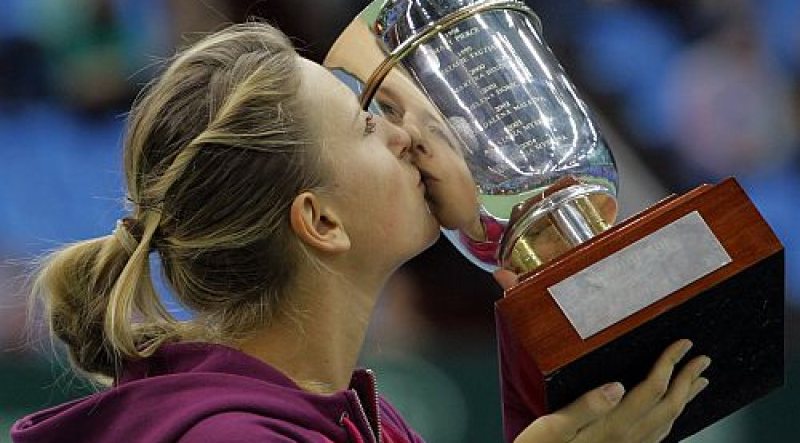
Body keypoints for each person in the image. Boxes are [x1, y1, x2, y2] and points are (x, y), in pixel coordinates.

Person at [11, 23, 710, 443]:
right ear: (320, 221)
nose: (411, 137)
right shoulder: (230, 435)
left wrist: (546, 320)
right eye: (368, 125)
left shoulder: (351, 416)